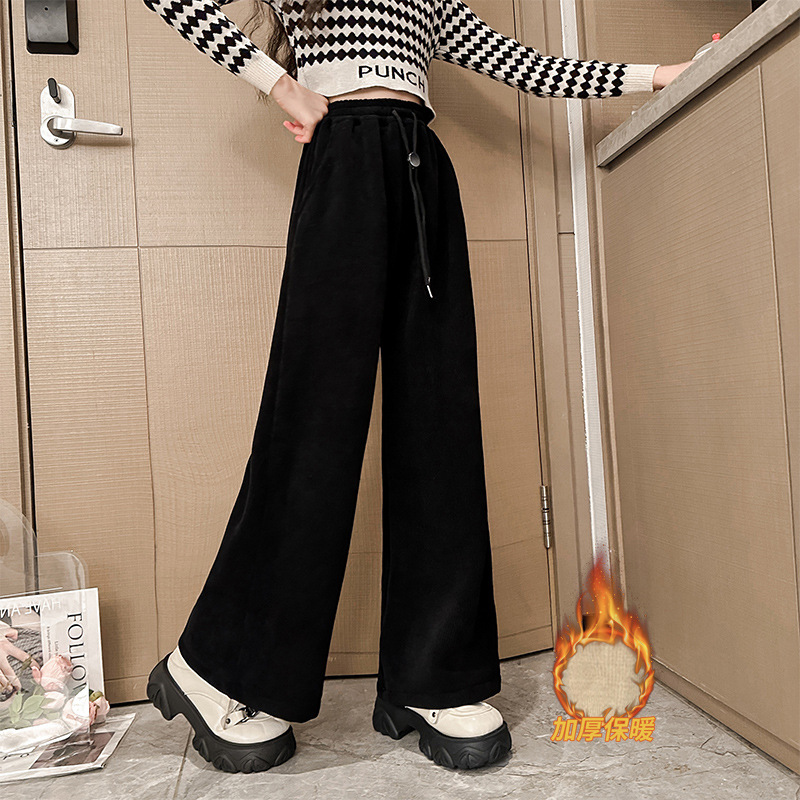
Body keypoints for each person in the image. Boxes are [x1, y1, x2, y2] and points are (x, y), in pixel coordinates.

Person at [142, 0, 691, 774]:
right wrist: (279, 83)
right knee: (314, 426)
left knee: (440, 424)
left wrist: (659, 74)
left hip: (422, 170)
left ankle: (431, 677)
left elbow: (527, 65)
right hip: (342, 160)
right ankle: (218, 670)